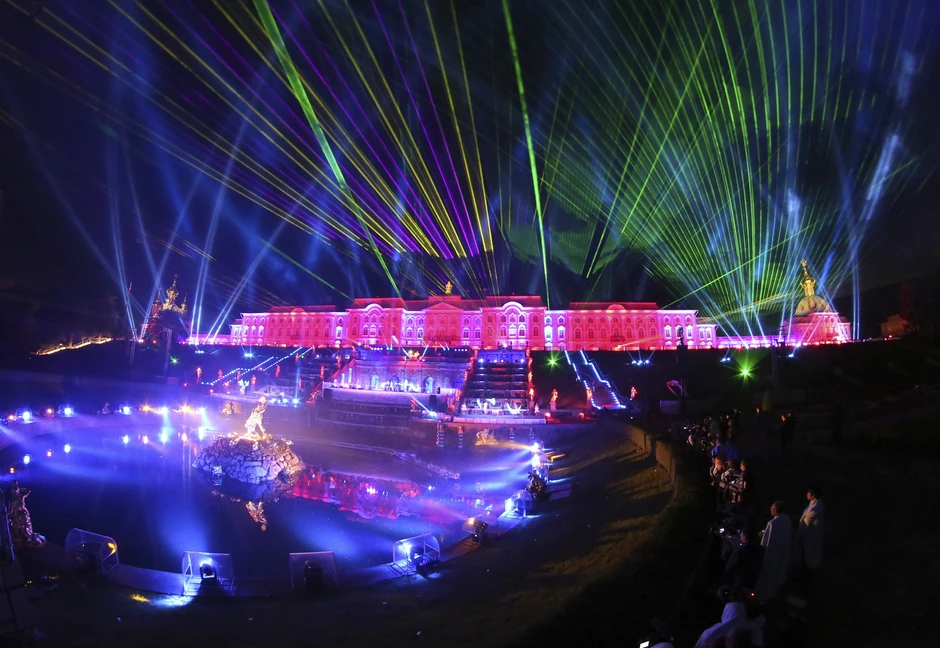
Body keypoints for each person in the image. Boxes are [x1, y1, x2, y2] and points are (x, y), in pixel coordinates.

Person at [755, 500, 791, 602]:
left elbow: (765, 542)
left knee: (768, 577)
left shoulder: (772, 523)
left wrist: (762, 536)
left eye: (772, 508)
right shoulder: (786, 520)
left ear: (775, 510)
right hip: (783, 552)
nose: (770, 510)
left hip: (771, 555)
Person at [797, 486, 825, 586]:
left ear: (813, 495)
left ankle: (807, 581)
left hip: (811, 537)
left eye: (809, 493)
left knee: (809, 559)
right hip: (807, 536)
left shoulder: (817, 506)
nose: (807, 494)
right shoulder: (812, 503)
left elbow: (807, 521)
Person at [724, 526, 763, 591]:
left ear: (744, 537)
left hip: (740, 584)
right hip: (754, 582)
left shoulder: (740, 551)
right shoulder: (760, 549)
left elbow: (730, 567)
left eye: (741, 534)